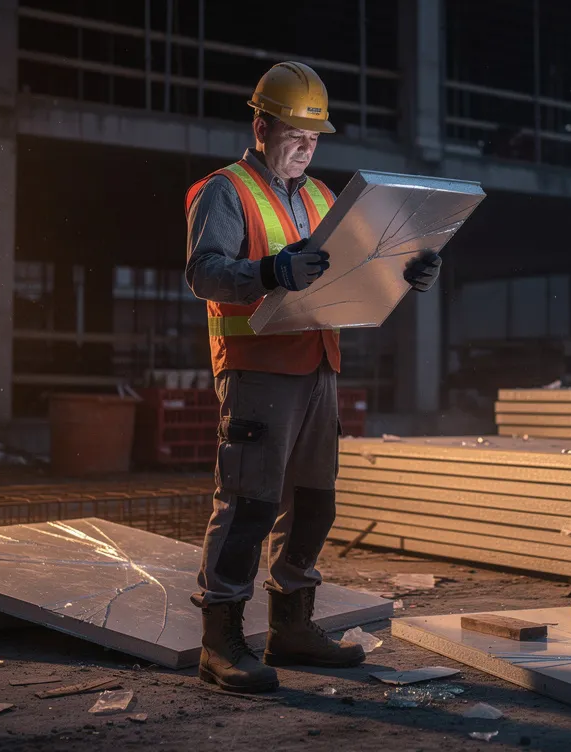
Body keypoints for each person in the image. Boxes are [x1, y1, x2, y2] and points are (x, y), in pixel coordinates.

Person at [183, 61, 442, 693]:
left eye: (314, 137)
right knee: (249, 504)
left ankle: (291, 628)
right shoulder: (225, 191)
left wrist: (407, 273)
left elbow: (357, 270)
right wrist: (271, 270)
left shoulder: (326, 199)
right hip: (257, 370)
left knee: (314, 504)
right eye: (294, 135)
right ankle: (220, 642)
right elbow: (204, 273)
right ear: (261, 127)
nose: (305, 147)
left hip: (319, 366)